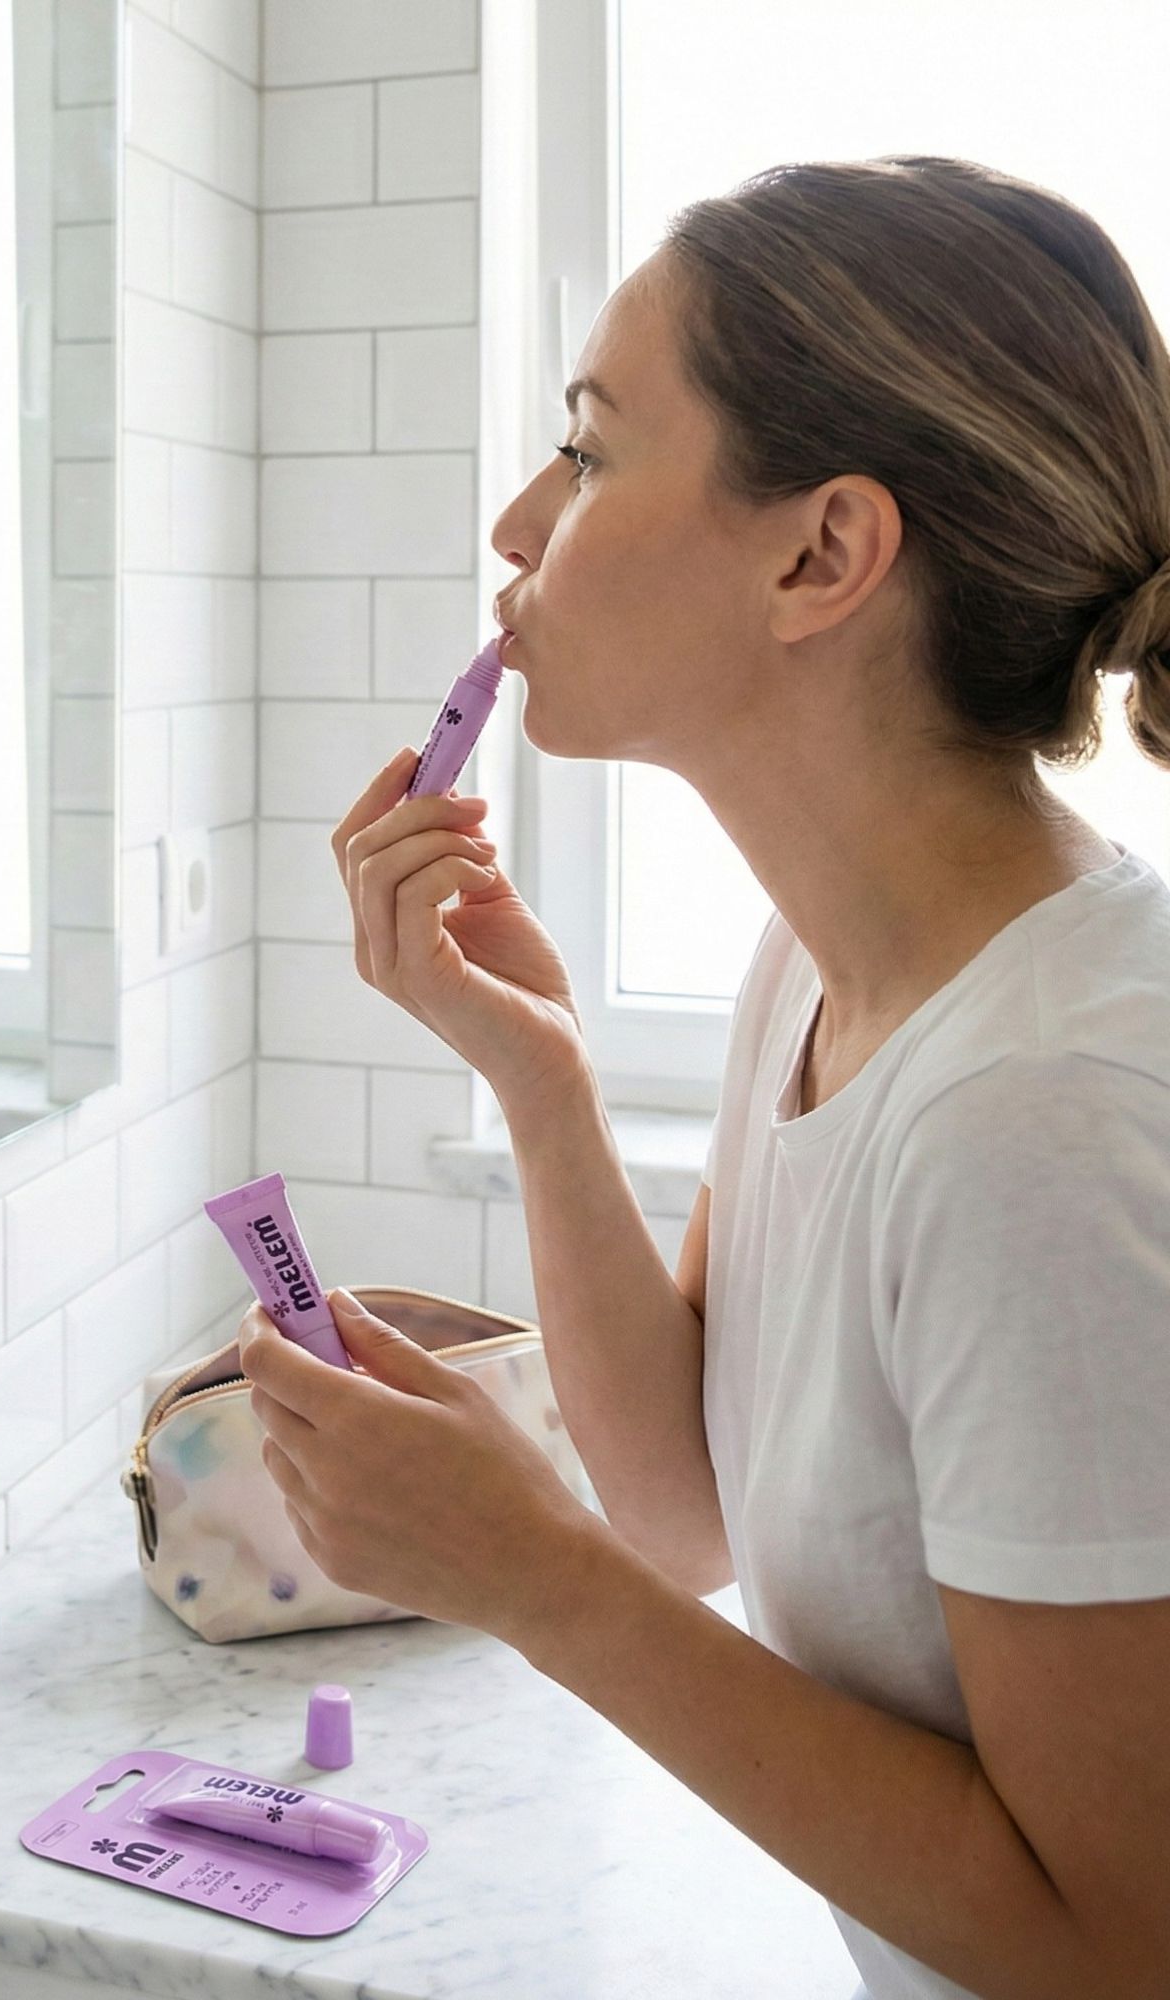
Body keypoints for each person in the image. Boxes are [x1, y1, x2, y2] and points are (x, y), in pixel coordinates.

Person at [239, 156, 1170, 2000]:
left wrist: (532, 1577)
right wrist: (541, 1081)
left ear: (821, 552)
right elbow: (690, 1515)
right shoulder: (829, 969)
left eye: (586, 454)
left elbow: (1118, 1946)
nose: (519, 523)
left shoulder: (1040, 1115)